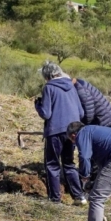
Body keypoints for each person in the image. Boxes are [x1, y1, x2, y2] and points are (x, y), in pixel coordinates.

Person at [35, 62, 86, 204]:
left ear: (47, 75)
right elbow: (81, 112)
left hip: (55, 131)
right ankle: (79, 196)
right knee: (69, 163)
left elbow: (46, 113)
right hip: (72, 131)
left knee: (52, 164)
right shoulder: (71, 86)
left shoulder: (49, 87)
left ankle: (55, 199)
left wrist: (38, 105)